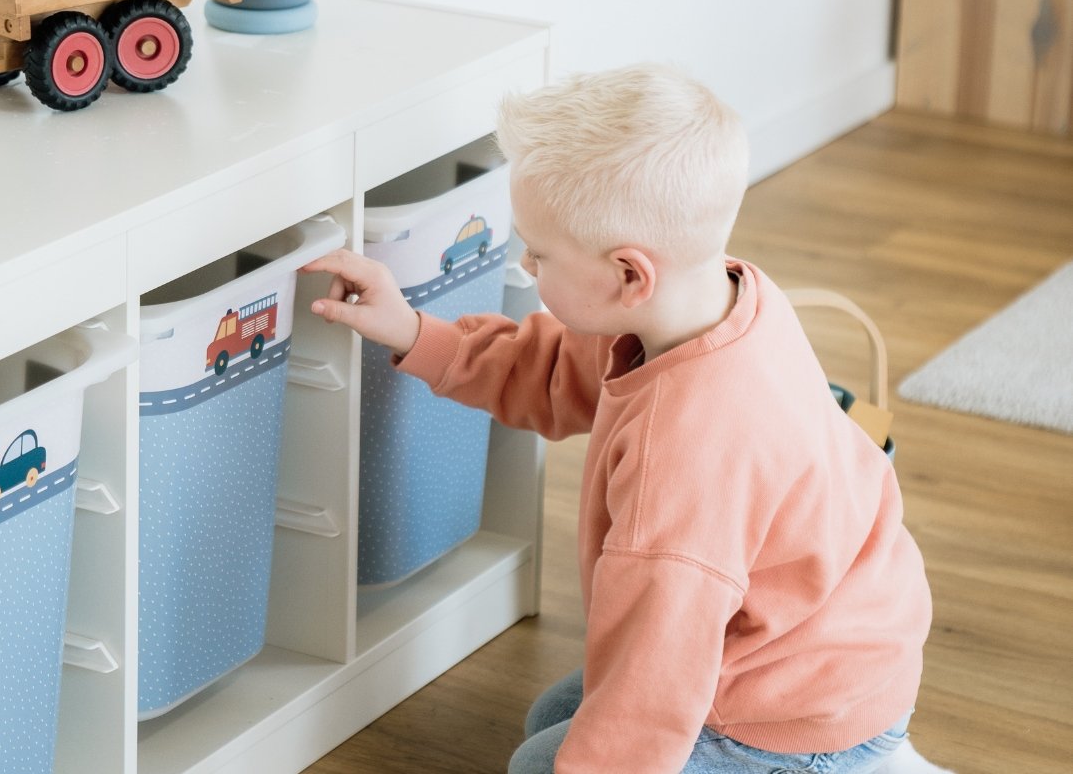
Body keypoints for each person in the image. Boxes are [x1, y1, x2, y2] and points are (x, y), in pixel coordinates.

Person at [302, 64, 932, 774]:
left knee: (543, 762)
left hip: (799, 711)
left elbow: (658, 674)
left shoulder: (686, 459)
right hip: (826, 644)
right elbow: (548, 370)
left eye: (538, 253)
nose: (525, 264)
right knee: (551, 720)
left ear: (630, 275)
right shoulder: (710, 298)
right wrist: (417, 332)